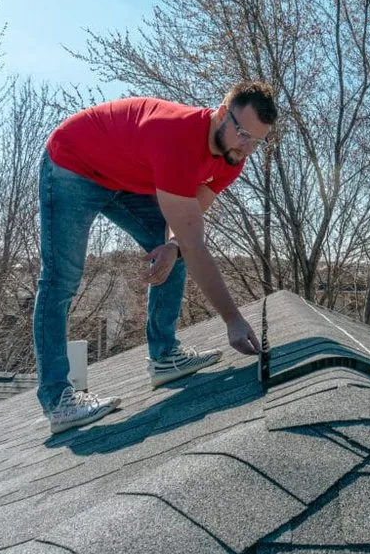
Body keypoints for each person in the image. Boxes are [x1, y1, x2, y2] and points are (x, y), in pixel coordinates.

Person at [34, 82, 278, 434]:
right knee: (60, 279)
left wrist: (172, 247)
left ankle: (164, 356)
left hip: (126, 177)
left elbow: (186, 232)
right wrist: (233, 320)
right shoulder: (177, 139)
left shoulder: (231, 159)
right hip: (74, 163)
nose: (247, 146)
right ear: (222, 114)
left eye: (258, 140)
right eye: (242, 133)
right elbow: (196, 245)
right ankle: (58, 400)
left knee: (171, 249)